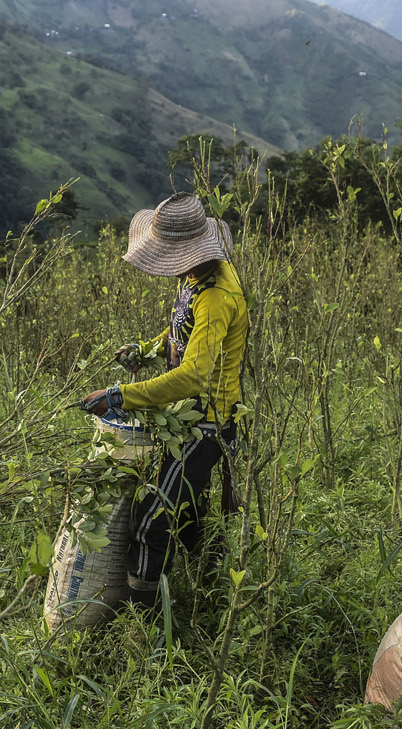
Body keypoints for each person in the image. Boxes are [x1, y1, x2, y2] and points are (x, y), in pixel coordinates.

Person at [81, 192, 249, 609]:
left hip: (205, 424)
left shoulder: (217, 296)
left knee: (153, 518)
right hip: (185, 419)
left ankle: (145, 621)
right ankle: (203, 593)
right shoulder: (194, 279)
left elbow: (193, 375)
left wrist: (120, 397)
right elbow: (179, 332)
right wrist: (147, 349)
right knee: (187, 512)